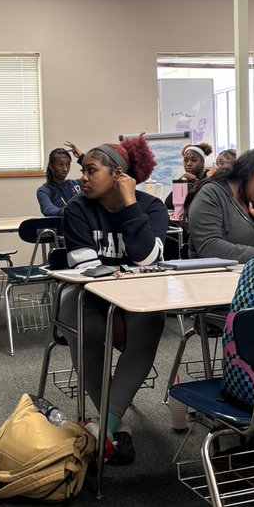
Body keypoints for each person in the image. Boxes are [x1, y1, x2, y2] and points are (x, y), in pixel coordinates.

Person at [60, 135, 169, 465]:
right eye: (84, 171)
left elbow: (148, 260)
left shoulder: (151, 208)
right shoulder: (77, 208)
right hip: (90, 296)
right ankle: (114, 426)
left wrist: (130, 206)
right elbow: (87, 269)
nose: (83, 177)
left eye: (91, 170)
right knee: (80, 316)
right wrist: (125, 273)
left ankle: (101, 427)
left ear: (119, 175)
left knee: (152, 318)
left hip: (137, 296)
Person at [36, 142, 83, 216]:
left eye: (68, 164)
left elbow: (94, 173)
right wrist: (71, 211)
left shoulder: (77, 184)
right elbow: (48, 210)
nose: (65, 169)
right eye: (60, 165)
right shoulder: (44, 191)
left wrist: (82, 157)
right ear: (51, 166)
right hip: (61, 226)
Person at [164, 141, 213, 209]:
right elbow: (168, 205)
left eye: (194, 160)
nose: (188, 164)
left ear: (202, 162)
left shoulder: (210, 178)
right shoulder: (185, 179)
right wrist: (181, 182)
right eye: (185, 160)